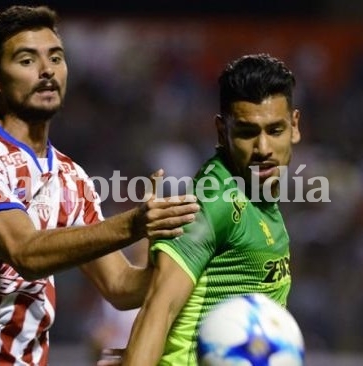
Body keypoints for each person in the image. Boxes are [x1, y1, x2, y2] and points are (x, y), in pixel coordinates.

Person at [0, 5, 199, 365]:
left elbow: (121, 287)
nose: (47, 71)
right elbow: (26, 253)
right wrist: (135, 224)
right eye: (27, 60)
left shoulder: (73, 178)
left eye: (56, 58)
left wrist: (184, 255)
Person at [113, 53, 302, 365]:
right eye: (246, 132)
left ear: (294, 126)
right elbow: (159, 308)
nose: (263, 149)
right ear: (221, 131)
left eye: (275, 130)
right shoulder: (213, 201)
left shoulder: (257, 195)